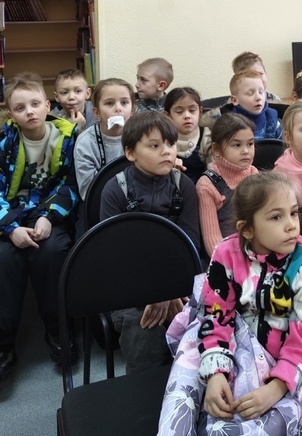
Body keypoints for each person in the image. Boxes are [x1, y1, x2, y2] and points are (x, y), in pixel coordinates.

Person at [159, 171, 302, 435]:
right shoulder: (226, 253)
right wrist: (216, 373)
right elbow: (216, 315)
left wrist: (276, 387)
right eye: (276, 217)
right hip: (234, 339)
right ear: (247, 229)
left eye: (293, 213)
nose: (291, 225)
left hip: (287, 353)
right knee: (189, 368)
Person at [0, 72, 79, 381]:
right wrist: (10, 228)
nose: (30, 112)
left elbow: (72, 185)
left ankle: (59, 331)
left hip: (47, 212)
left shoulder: (68, 139)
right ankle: (0, 345)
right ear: (11, 114)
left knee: (53, 251)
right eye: (20, 108)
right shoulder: (0, 145)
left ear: (47, 105)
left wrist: (49, 216)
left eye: (35, 104)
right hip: (10, 213)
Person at [100, 111, 200, 371]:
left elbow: (190, 247)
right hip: (130, 287)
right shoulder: (115, 190)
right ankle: (145, 390)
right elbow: (117, 256)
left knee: (202, 326)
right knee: (143, 332)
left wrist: (169, 290)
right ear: (130, 152)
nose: (166, 151)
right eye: (154, 146)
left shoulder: (184, 187)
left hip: (178, 282)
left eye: (170, 144)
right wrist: (156, 292)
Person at [197, 113, 259, 258]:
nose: (246, 151)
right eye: (237, 145)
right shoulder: (206, 186)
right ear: (216, 149)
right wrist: (231, 264)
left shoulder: (254, 174)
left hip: (256, 252)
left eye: (250, 144)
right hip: (226, 259)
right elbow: (212, 240)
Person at [73, 77, 135, 202]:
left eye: (124, 102)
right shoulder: (86, 142)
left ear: (132, 110)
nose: (118, 108)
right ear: (97, 112)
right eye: (109, 103)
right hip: (102, 203)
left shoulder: (141, 136)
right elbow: (87, 191)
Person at [166, 86, 208, 185]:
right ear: (168, 116)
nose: (187, 116)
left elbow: (214, 169)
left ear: (200, 112)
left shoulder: (207, 136)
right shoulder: (162, 138)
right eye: (179, 112)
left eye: (192, 110)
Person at [229, 69, 282, 139]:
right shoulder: (228, 124)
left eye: (261, 92)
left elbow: (283, 145)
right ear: (235, 100)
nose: (258, 97)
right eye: (250, 93)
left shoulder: (273, 119)